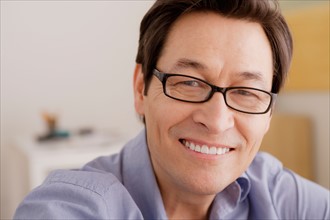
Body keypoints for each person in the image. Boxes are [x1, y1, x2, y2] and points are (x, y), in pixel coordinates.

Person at [14, 0, 329, 219]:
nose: (217, 121)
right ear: (141, 88)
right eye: (190, 83)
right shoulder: (77, 205)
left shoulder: (282, 197)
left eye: (246, 92)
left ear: (269, 113)